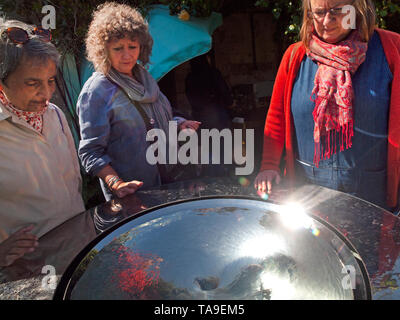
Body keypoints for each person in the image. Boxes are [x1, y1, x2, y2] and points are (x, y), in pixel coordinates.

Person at [255, 0, 400, 211]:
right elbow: (277, 116)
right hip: (308, 197)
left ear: (358, 8)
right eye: (319, 12)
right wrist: (268, 165)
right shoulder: (294, 56)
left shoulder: (391, 49)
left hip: (374, 198)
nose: (326, 21)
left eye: (337, 11)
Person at [78, 2, 201, 202]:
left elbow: (151, 121)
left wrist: (178, 124)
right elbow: (90, 152)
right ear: (103, 50)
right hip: (132, 198)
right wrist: (116, 184)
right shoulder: (97, 91)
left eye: (132, 47)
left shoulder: (144, 78)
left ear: (142, 47)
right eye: (118, 48)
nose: (127, 55)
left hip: (166, 185)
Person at [0, 20, 85, 266]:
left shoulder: (55, 114)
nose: (46, 93)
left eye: (50, 80)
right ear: (2, 82)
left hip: (76, 252)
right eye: (32, 83)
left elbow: (73, 182)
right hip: (27, 271)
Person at [185, 53, 234, 177]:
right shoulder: (213, 73)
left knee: (208, 151)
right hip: (218, 117)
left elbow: (191, 99)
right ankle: (224, 178)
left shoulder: (190, 78)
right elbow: (226, 94)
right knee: (222, 151)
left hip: (201, 120)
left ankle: (212, 179)